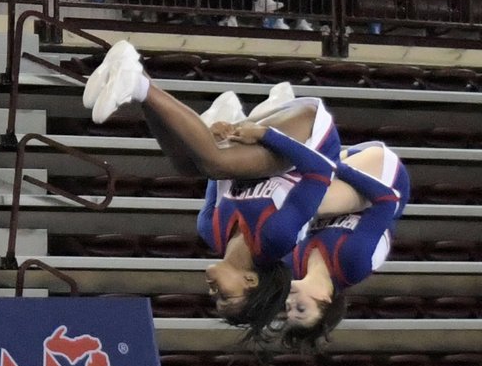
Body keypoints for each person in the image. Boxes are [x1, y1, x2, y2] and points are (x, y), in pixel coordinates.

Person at [83, 41, 347, 342]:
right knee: (214, 162)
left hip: (267, 154)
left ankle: (135, 77)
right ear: (250, 281)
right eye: (225, 298)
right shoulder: (277, 237)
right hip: (311, 140)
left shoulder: (211, 230)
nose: (213, 293)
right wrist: (265, 135)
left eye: (215, 300)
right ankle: (137, 83)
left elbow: (211, 169)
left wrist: (216, 136)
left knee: (189, 166)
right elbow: (321, 170)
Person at [280, 141, 409, 351]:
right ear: (324, 299)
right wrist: (336, 167)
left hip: (345, 183)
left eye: (288, 309)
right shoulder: (351, 264)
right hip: (385, 182)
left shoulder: (293, 265)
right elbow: (387, 201)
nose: (290, 303)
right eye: (301, 309)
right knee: (306, 202)